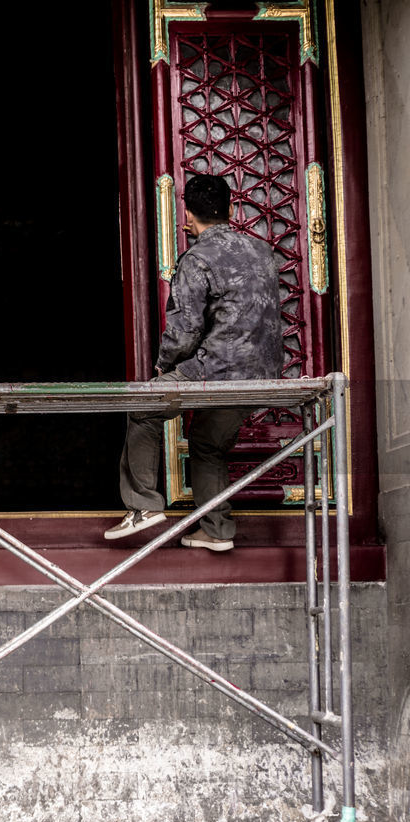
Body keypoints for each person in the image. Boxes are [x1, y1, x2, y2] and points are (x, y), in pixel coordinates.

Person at [105, 174, 283, 551]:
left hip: (218, 369)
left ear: (187, 215)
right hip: (264, 373)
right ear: (231, 209)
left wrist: (163, 367)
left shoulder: (198, 258)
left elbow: (185, 330)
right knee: (206, 443)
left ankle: (143, 506)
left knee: (144, 407)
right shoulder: (262, 251)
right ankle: (216, 530)